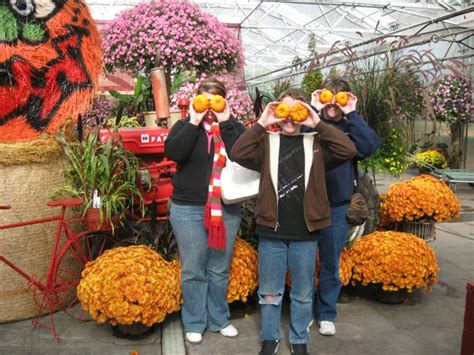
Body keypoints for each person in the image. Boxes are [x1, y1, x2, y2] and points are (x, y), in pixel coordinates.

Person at [230, 88, 357, 355]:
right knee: (270, 292)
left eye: (295, 111)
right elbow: (238, 152)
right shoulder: (266, 142)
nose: (289, 119)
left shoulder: (317, 144)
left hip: (305, 231)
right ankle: (270, 337)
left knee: (302, 292)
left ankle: (300, 339)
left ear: (304, 113)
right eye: (284, 112)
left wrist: (317, 122)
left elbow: (348, 149)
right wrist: (263, 122)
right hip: (272, 229)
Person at [164, 78, 245, 344]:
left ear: (223, 102)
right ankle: (195, 321)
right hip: (187, 209)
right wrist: (193, 121)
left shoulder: (232, 128)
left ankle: (219, 318)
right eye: (204, 99)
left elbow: (244, 154)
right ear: (197, 101)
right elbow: (175, 152)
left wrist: (227, 121)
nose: (210, 106)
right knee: (193, 269)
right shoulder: (186, 127)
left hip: (225, 209)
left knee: (219, 268)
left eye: (215, 99)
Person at [310, 77, 380, 336]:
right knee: (305, 263)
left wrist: (352, 112)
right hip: (308, 205)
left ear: (346, 100)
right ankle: (304, 310)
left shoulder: (350, 125)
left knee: (330, 262)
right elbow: (296, 140)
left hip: (337, 206)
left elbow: (369, 146)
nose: (334, 103)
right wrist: (314, 108)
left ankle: (326, 312)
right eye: (330, 96)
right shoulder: (312, 122)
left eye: (340, 97)